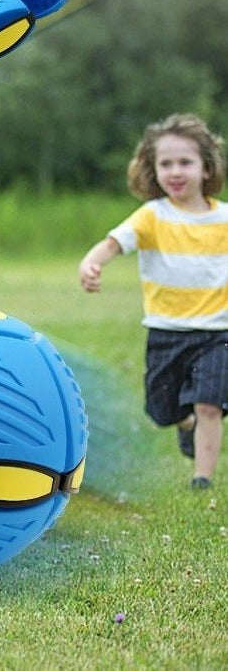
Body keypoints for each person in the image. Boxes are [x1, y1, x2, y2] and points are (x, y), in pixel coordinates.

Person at [78, 113, 228, 491]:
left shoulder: (224, 218)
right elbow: (114, 243)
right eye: (166, 163)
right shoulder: (152, 216)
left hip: (217, 332)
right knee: (161, 410)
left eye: (185, 162)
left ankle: (202, 479)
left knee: (210, 405)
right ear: (152, 169)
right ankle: (184, 423)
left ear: (206, 166)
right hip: (166, 332)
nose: (175, 172)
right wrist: (92, 261)